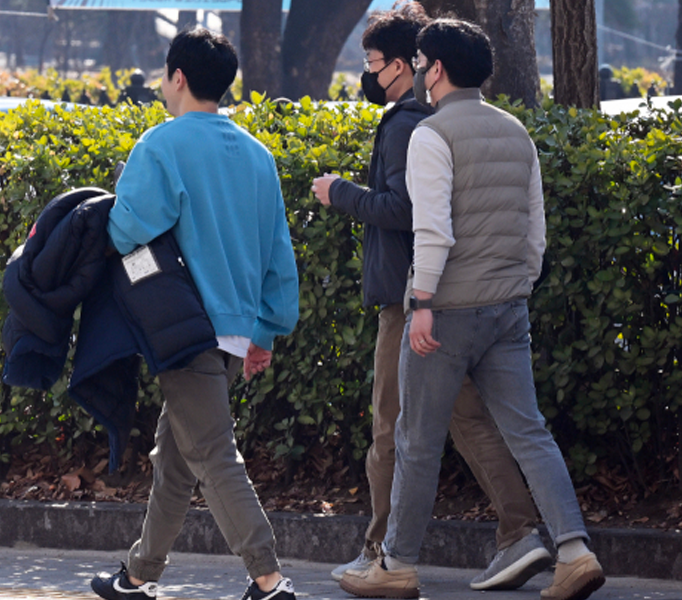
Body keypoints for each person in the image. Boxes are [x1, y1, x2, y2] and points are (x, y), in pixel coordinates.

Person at [339, 18, 606, 600]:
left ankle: (397, 566)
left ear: (433, 68)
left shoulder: (433, 135)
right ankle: (575, 551)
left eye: (420, 62)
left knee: (415, 438)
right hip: (508, 307)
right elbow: (534, 229)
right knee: (530, 434)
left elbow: (432, 229)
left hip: (448, 307)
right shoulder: (516, 131)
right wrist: (519, 286)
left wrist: (425, 302)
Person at [312, 4, 549, 591]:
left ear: (404, 65)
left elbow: (405, 211)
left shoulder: (405, 127)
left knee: (391, 429)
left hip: (411, 300)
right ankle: (522, 535)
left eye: (373, 63)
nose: (367, 75)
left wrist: (339, 192)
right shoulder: (440, 121)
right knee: (468, 421)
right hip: (458, 298)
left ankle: (382, 554)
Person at [91, 27, 300, 600]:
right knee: (177, 460)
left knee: (211, 454)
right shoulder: (257, 155)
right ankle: (139, 574)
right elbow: (278, 251)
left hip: (184, 331)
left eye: (164, 75)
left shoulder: (162, 145)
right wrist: (268, 330)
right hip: (235, 333)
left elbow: (127, 229)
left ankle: (270, 578)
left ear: (177, 77)